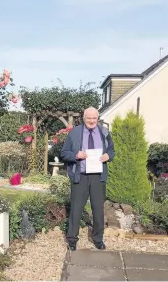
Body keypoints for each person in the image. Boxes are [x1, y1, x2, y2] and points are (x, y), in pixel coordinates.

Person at [60, 107, 115, 251]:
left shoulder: (104, 132)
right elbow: (64, 153)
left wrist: (109, 156)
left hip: (98, 177)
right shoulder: (75, 132)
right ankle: (72, 240)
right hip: (81, 176)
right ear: (84, 118)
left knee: (98, 209)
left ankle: (98, 239)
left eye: (94, 118)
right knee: (76, 209)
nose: (91, 121)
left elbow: (111, 151)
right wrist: (76, 155)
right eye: (89, 118)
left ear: (98, 118)